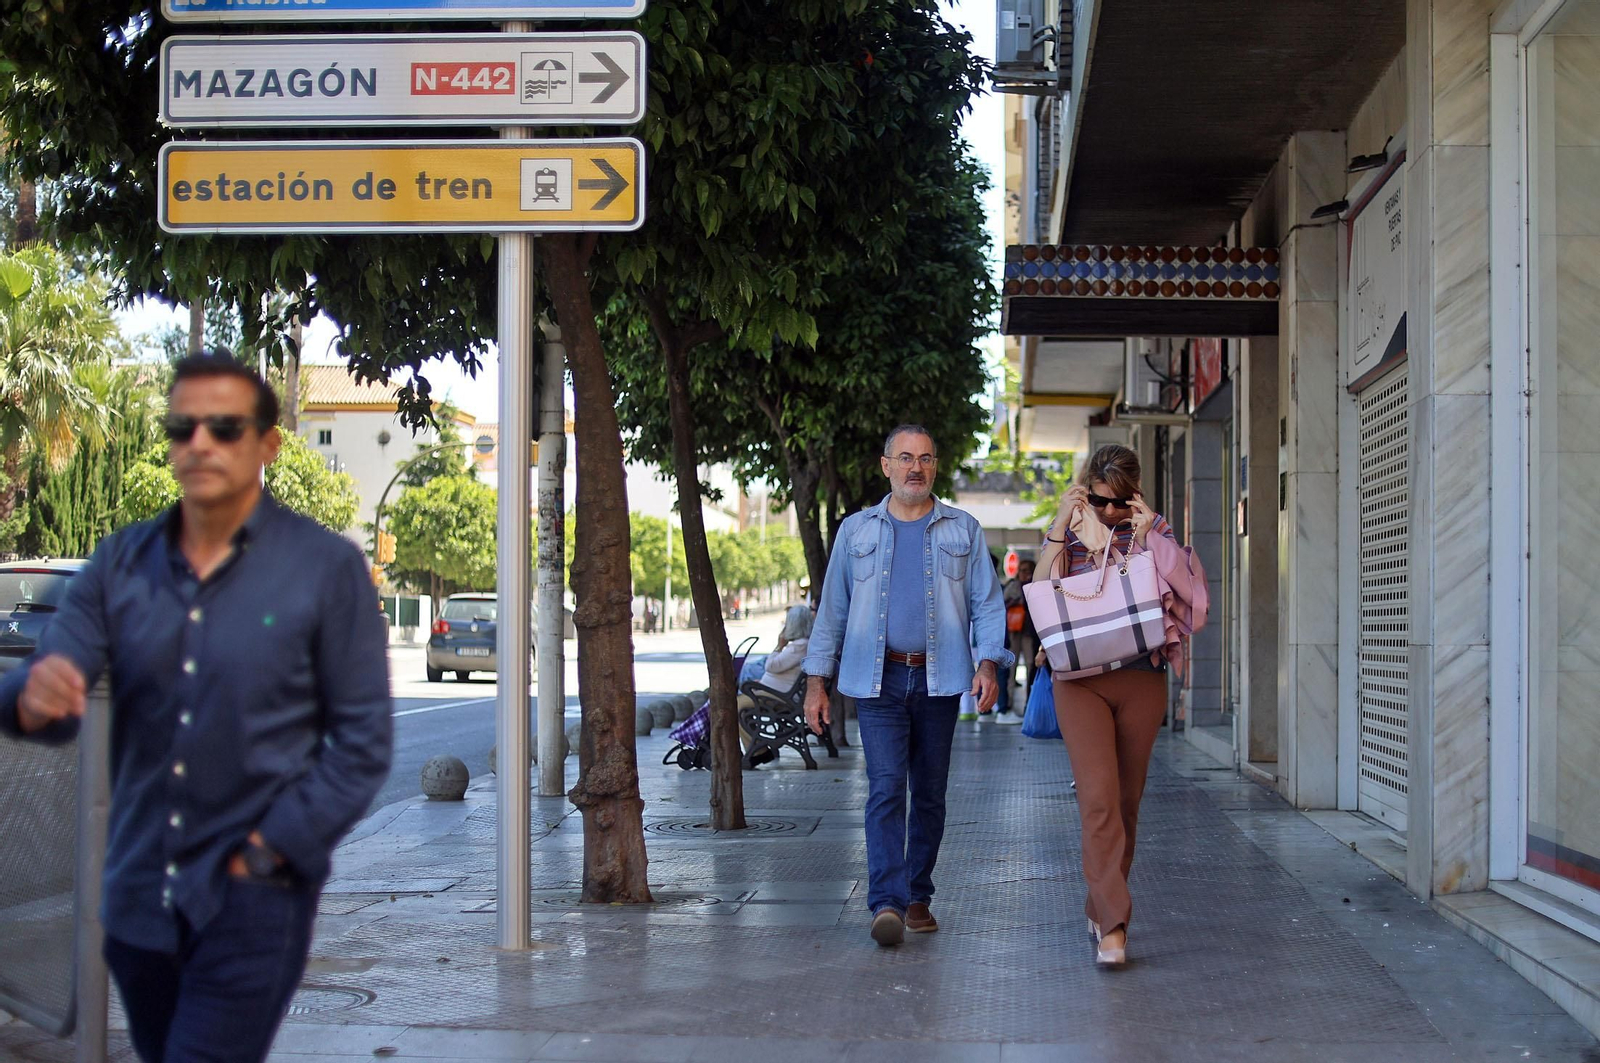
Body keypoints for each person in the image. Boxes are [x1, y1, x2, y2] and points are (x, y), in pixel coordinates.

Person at [0, 351, 394, 1062]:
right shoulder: (119, 562)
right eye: (184, 427)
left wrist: (270, 849)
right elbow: (52, 687)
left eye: (225, 426)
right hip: (136, 905)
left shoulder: (324, 569)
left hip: (252, 906)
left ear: (268, 443)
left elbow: (361, 743)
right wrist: (32, 694)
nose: (201, 443)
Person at [804, 424, 1012, 946]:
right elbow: (832, 610)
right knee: (885, 788)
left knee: (931, 794)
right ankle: (887, 903)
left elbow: (988, 605)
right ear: (886, 466)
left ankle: (918, 894)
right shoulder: (855, 532)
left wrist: (988, 665)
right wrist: (816, 682)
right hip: (878, 680)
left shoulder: (963, 529)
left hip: (941, 679)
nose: (915, 467)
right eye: (905, 457)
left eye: (924, 458)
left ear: (934, 467)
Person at [1034, 444, 1207, 967]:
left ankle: (1100, 901)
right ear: (1089, 491)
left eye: (1120, 503)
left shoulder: (1155, 532)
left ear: (1134, 494)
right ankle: (1114, 925)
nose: (1110, 513)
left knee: (1126, 805)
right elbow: (1040, 589)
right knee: (1099, 798)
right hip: (1079, 680)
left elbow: (1193, 603)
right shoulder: (1072, 525)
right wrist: (1065, 520)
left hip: (1140, 677)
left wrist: (1151, 533)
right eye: (1101, 501)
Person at [1004, 557, 1040, 702]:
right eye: (1023, 571)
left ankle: (1029, 703)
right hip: (1014, 631)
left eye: (1030, 571)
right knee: (1011, 667)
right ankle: (1008, 704)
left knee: (1031, 664)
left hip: (1029, 632)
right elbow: (1002, 603)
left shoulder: (1036, 585)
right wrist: (1017, 601)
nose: (1026, 574)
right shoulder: (1013, 586)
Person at [756, 603, 814, 691]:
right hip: (770, 689)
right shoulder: (801, 644)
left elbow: (770, 666)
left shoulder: (800, 646)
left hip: (776, 695)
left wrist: (779, 646)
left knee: (748, 671)